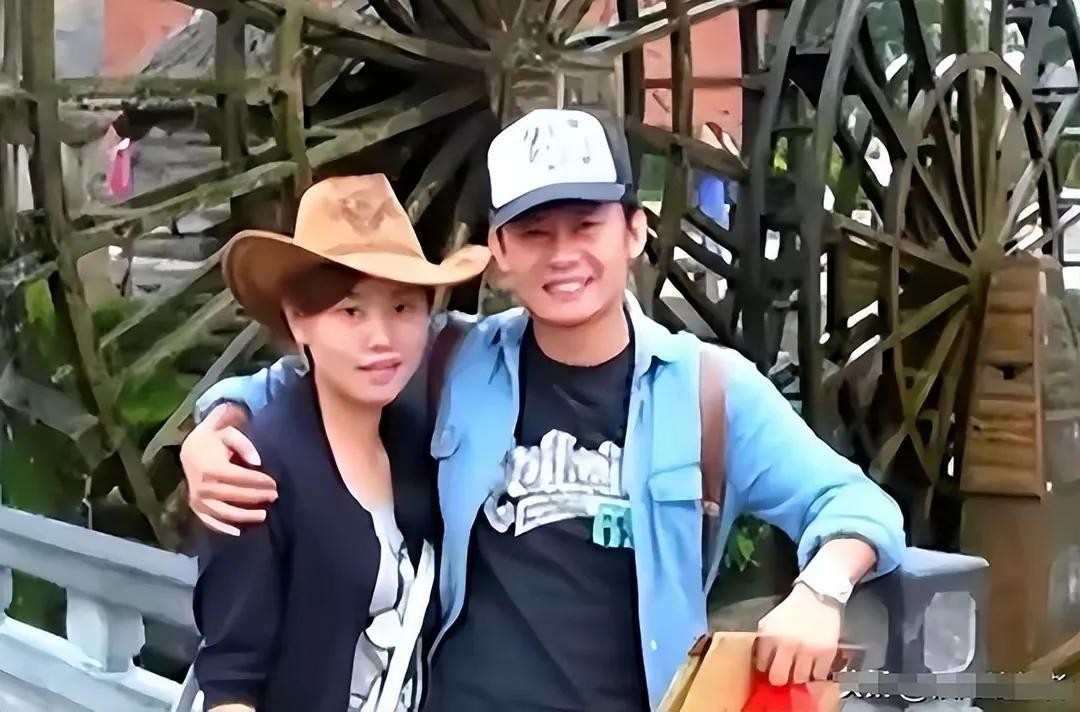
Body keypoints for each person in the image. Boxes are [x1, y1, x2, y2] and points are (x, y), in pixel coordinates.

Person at [182, 108, 906, 711]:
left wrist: (819, 591)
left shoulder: (708, 390)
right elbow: (309, 374)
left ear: (634, 232)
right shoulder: (453, 360)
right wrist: (214, 431)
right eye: (533, 233)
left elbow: (856, 504)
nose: (562, 255)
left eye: (586, 225)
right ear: (499, 251)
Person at [190, 174, 491, 712]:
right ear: (297, 320)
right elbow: (231, 680)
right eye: (351, 311)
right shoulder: (255, 471)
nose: (381, 338)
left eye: (403, 308)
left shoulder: (419, 437)